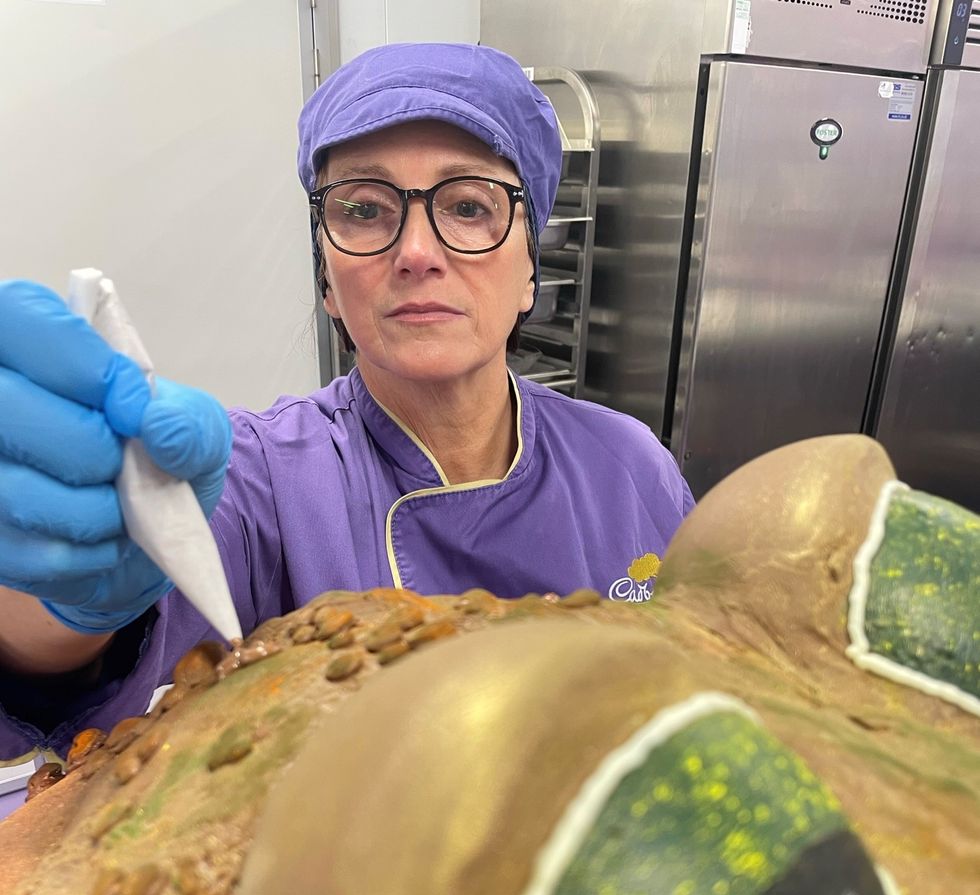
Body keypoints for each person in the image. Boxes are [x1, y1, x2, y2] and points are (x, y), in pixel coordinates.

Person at [0, 43, 694, 768]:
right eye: (364, 208)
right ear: (329, 281)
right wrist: (56, 597)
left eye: (468, 205)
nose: (418, 251)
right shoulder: (264, 478)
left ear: (530, 272)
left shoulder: (631, 464)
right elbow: (71, 657)